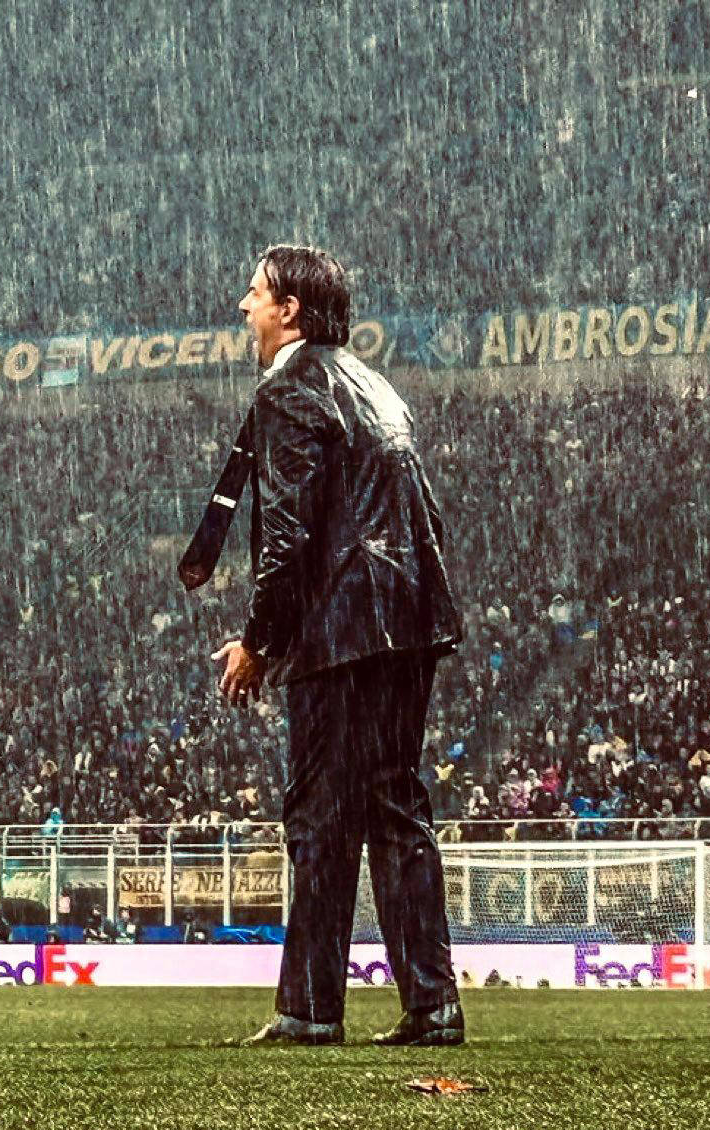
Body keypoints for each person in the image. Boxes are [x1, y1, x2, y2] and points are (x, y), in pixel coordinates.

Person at [182, 244, 465, 1046]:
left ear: (290, 310)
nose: (244, 306)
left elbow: (290, 533)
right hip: (410, 619)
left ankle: (309, 1007)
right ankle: (432, 1002)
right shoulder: (374, 385)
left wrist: (259, 641)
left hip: (344, 626)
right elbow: (420, 515)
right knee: (396, 807)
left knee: (319, 816)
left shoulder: (290, 390)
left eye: (256, 293)